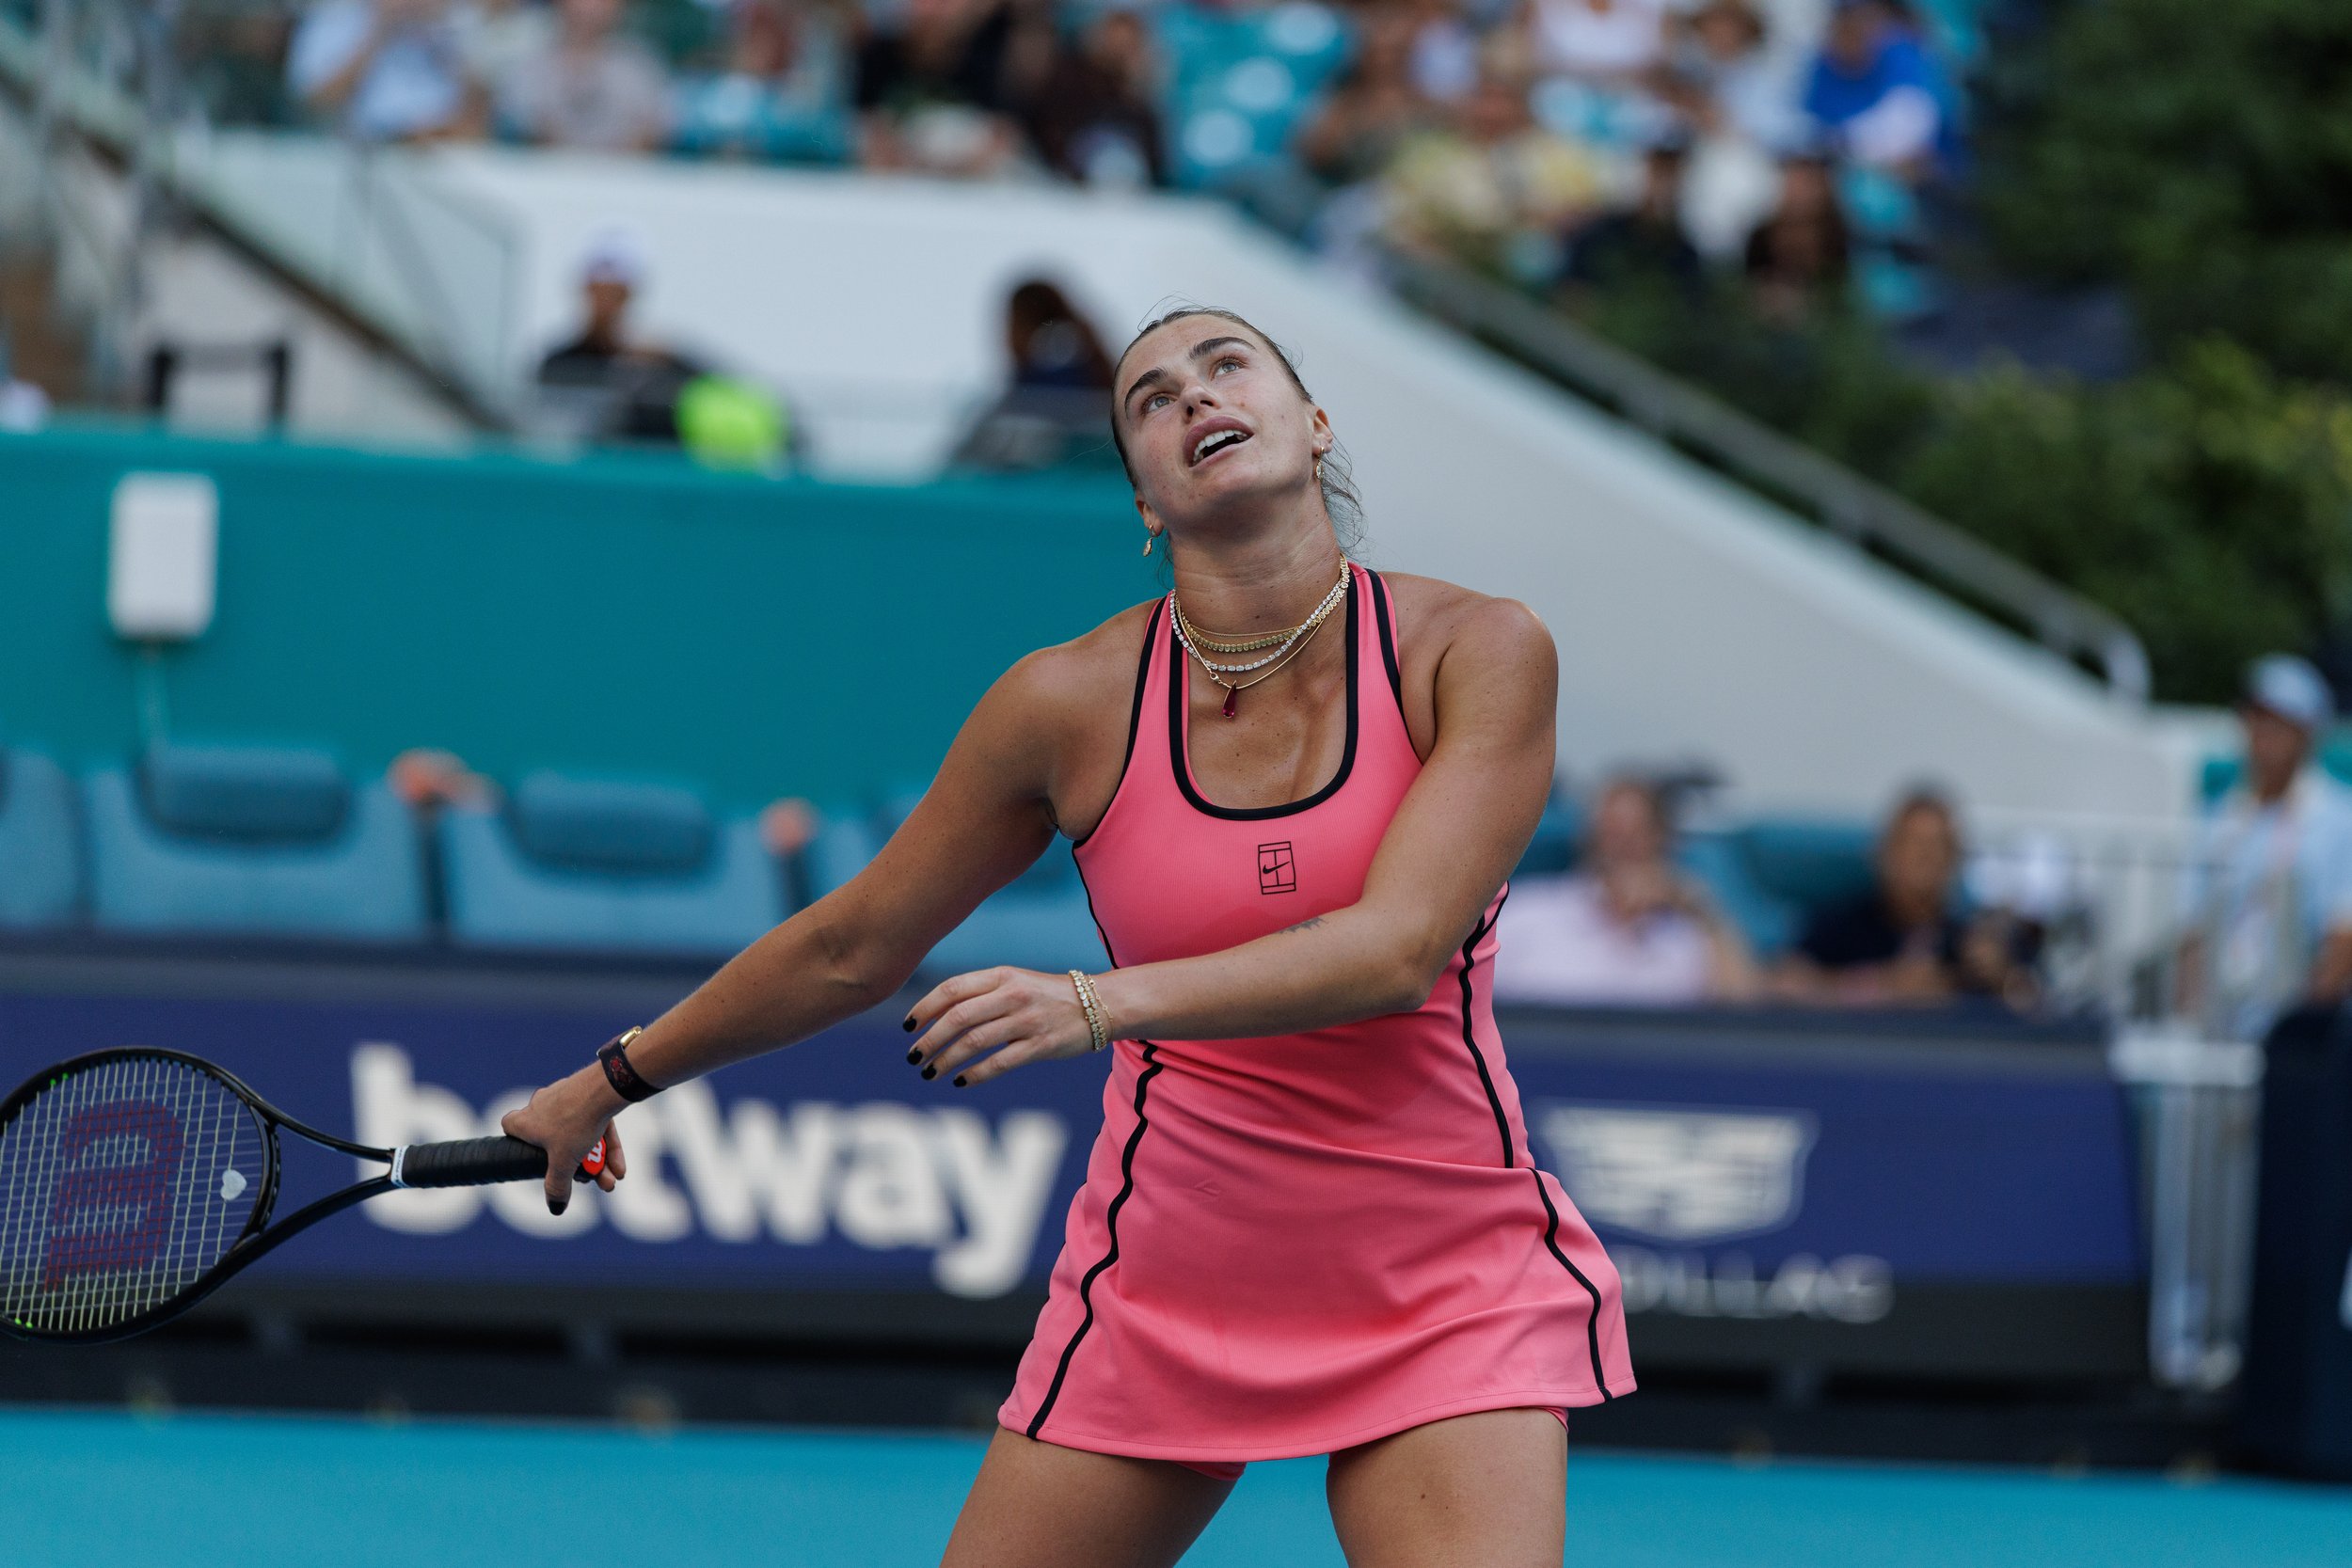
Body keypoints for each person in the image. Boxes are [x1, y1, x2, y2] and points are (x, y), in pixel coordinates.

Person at [502, 305, 1633, 1563]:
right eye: (1151, 397)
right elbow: (850, 945)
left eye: (1227, 366)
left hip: (1443, 1274)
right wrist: (605, 1082)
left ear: (1314, 424)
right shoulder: (1066, 704)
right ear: (1144, 499)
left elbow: (1394, 950)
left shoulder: (1477, 650)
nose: (1194, 395)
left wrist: (1096, 1002)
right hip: (1169, 1279)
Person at [2178, 656, 2352, 1039]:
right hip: (2220, 1021)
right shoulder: (2221, 816)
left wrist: (2299, 1034)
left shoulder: (2340, 818)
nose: (2263, 734)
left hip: (2298, 1031)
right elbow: (2192, 929)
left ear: (2306, 733)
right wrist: (2192, 1019)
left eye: (2279, 723)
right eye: (2256, 718)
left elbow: (2343, 939)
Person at [1494, 776, 1756, 1004]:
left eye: (1637, 835)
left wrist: (1699, 909)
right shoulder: (1525, 912)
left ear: (1662, 842)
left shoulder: (1687, 934)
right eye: (1612, 833)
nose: (1622, 849)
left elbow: (1741, 1009)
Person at [1773, 787, 2025, 1006]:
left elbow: (2031, 1006)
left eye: (1937, 846)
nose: (1924, 858)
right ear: (1884, 852)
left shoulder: (1970, 941)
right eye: (1913, 844)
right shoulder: (1838, 928)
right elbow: (1784, 985)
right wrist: (1886, 986)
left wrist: (2001, 980)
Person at [532, 231, 707, 443]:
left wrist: (667, 358)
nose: (604, 304)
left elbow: (711, 390)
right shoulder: (558, 363)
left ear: (628, 296)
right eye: (598, 292)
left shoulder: (661, 365)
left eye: (614, 294)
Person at [670, 0, 850, 162]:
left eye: (767, 37)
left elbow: (827, 139)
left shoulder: (801, 98)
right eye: (750, 36)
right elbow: (679, 128)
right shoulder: (707, 91)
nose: (756, 48)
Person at [1802, 0, 1954, 182]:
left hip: (1920, 168)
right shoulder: (1820, 67)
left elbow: (1910, 131)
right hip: (1851, 171)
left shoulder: (1901, 54)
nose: (1852, 35)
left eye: (1861, 25)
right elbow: (1818, 131)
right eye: (1844, 28)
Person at [286, 0, 481, 142]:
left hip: (443, 152)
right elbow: (315, 104)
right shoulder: (334, 15)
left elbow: (478, 109)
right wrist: (380, 28)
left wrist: (437, 33)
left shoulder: (454, 18)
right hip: (356, 150)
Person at [497, 0, 672, 151]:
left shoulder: (642, 67)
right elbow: (522, 135)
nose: (591, 6)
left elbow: (653, 135)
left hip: (625, 178)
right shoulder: (528, 66)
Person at [1019, 5, 1164, 187]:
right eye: (1114, 39)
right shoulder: (1070, 78)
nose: (1119, 48)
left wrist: (1135, 89)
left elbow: (1156, 159)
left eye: (1128, 43)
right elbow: (1049, 130)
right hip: (1065, 182)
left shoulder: (1141, 99)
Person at [1561, 135, 1700, 290]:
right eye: (1658, 171)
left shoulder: (1683, 253)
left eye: (1672, 173)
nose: (1664, 184)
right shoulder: (1599, 237)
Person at [1742, 151, 1850, 318]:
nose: (1798, 191)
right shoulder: (1761, 234)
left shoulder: (1836, 235)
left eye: (1806, 184)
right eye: (1793, 182)